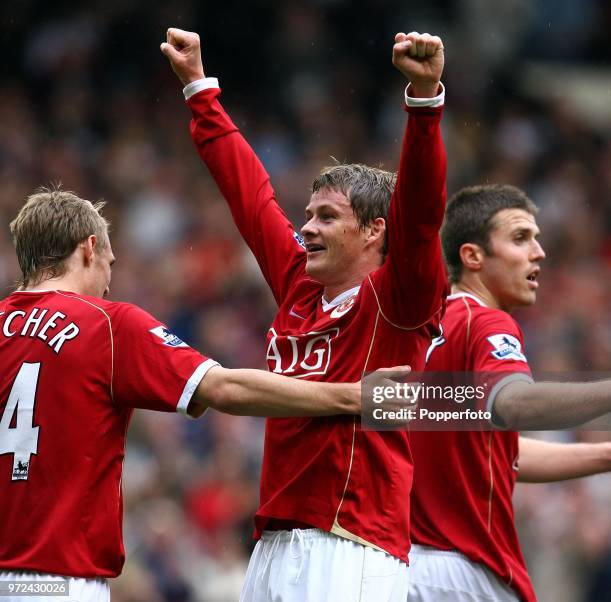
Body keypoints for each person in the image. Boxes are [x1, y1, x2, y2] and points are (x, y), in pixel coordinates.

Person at [162, 27, 448, 602]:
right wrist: (199, 88)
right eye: (308, 215)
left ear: (373, 232)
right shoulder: (299, 286)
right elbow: (249, 197)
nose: (307, 228)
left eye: (325, 217)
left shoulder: (400, 299)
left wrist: (423, 103)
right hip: (274, 538)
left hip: (352, 543)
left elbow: (419, 214)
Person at [0, 187, 388, 602]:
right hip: (58, 584)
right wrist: (354, 397)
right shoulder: (109, 326)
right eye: (109, 266)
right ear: (89, 249)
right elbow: (223, 387)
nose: (109, 285)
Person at [408, 184, 611, 601]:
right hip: (466, 572)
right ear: (473, 256)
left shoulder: (424, 329)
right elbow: (513, 405)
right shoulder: (486, 323)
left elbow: (497, 450)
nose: (539, 252)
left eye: (536, 238)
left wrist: (606, 454)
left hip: (403, 570)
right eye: (520, 238)